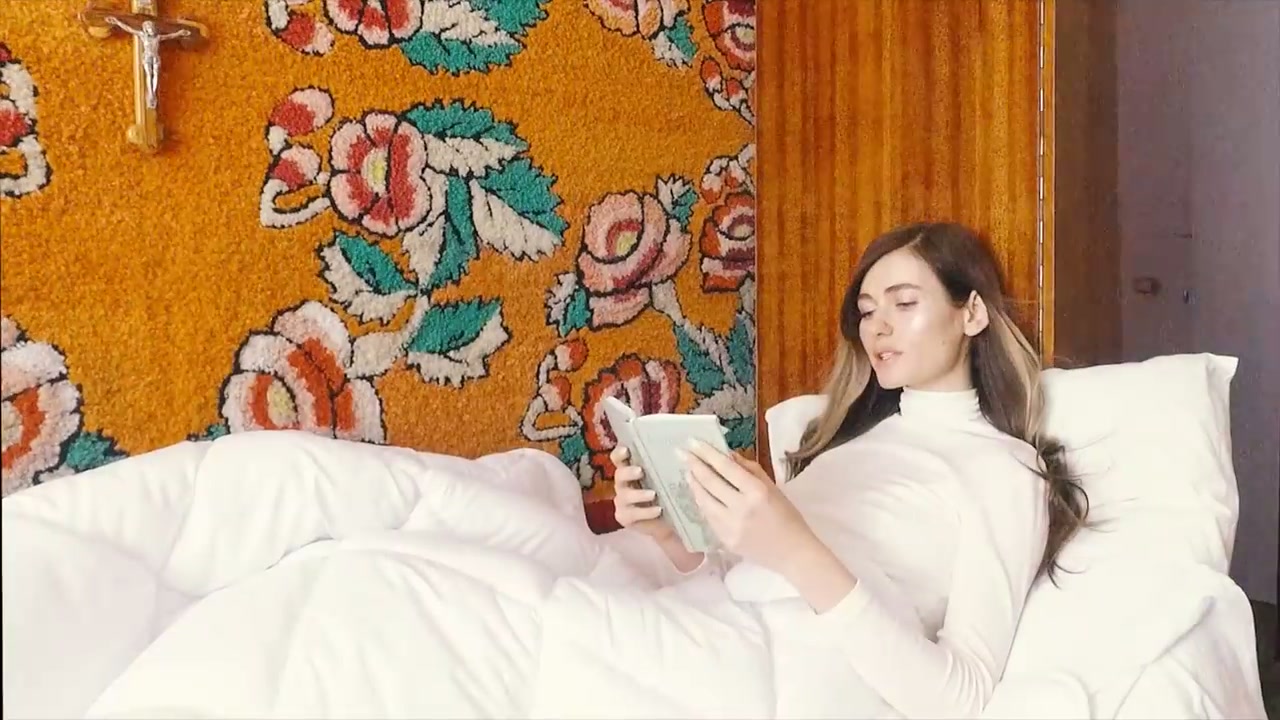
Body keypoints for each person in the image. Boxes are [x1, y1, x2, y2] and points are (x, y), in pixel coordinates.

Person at [610, 221, 1089, 717]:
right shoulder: (841, 446)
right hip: (722, 637)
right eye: (866, 311)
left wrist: (794, 548)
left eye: (904, 303)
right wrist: (669, 533)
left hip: (802, 674)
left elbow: (959, 698)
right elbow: (746, 580)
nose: (877, 327)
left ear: (971, 313)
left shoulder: (1005, 469)